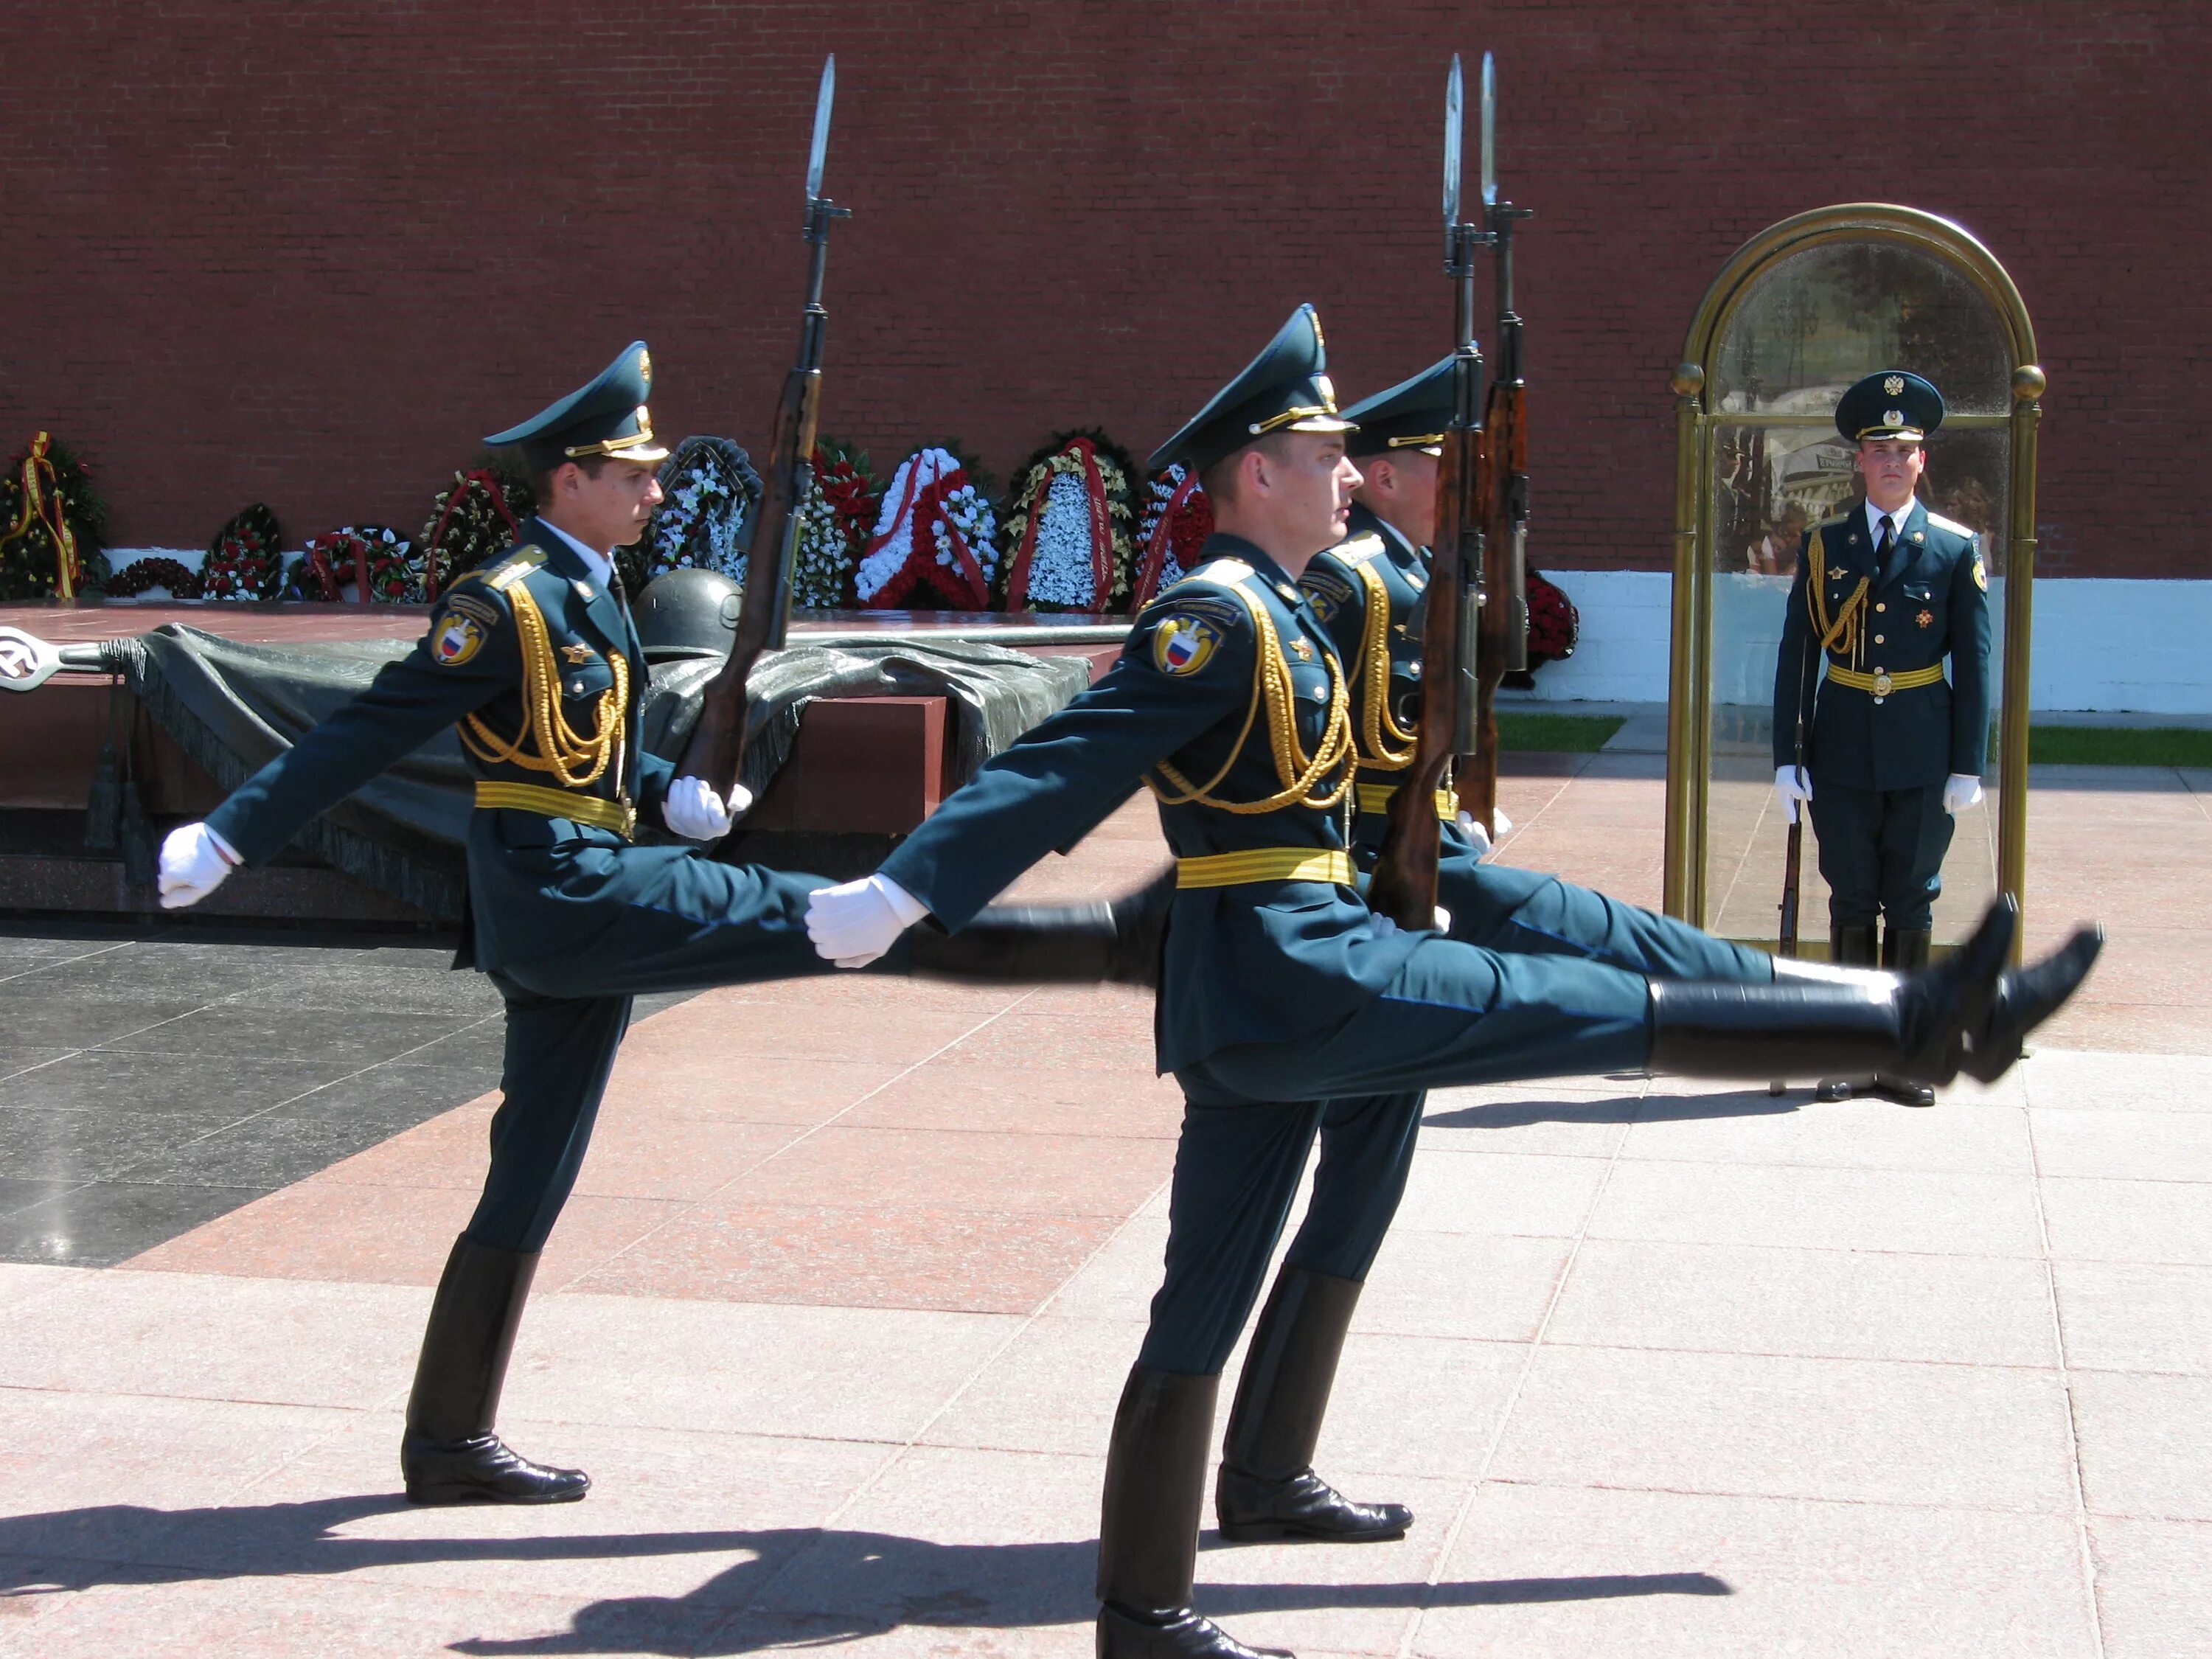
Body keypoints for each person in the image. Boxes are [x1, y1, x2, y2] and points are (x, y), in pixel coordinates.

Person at [804, 307, 2100, 1659]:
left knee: (1200, 1298)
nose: (1348, 471)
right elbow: (1071, 756)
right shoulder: (1219, 618)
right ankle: (1915, 1022)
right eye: (1319, 452)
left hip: (1273, 985)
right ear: (1256, 474)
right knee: (1586, 1008)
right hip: (1305, 971)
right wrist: (910, 884)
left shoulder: (1283, 614)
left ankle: (1145, 1614)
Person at [154, 342, 1163, 1507]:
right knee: (835, 915)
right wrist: (232, 834)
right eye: (633, 473)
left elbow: (569, 744)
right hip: (566, 892)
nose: (656, 492)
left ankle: (447, 1439)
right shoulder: (504, 603)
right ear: (569, 478)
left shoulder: (585, 589)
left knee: (531, 1173)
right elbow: (362, 733)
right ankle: (1107, 938)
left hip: (579, 884)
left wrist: (660, 792)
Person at [1771, 371, 1993, 1107]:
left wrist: (1969, 763)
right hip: (1841, 747)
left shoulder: (1955, 550)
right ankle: (1847, 1048)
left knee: (1912, 900)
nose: (1892, 461)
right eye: (1878, 448)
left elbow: (1978, 661)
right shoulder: (1824, 545)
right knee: (1851, 898)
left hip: (1925, 748)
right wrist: (1786, 756)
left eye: (1905, 449)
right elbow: (1799, 655)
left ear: (1923, 460)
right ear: (1858, 461)